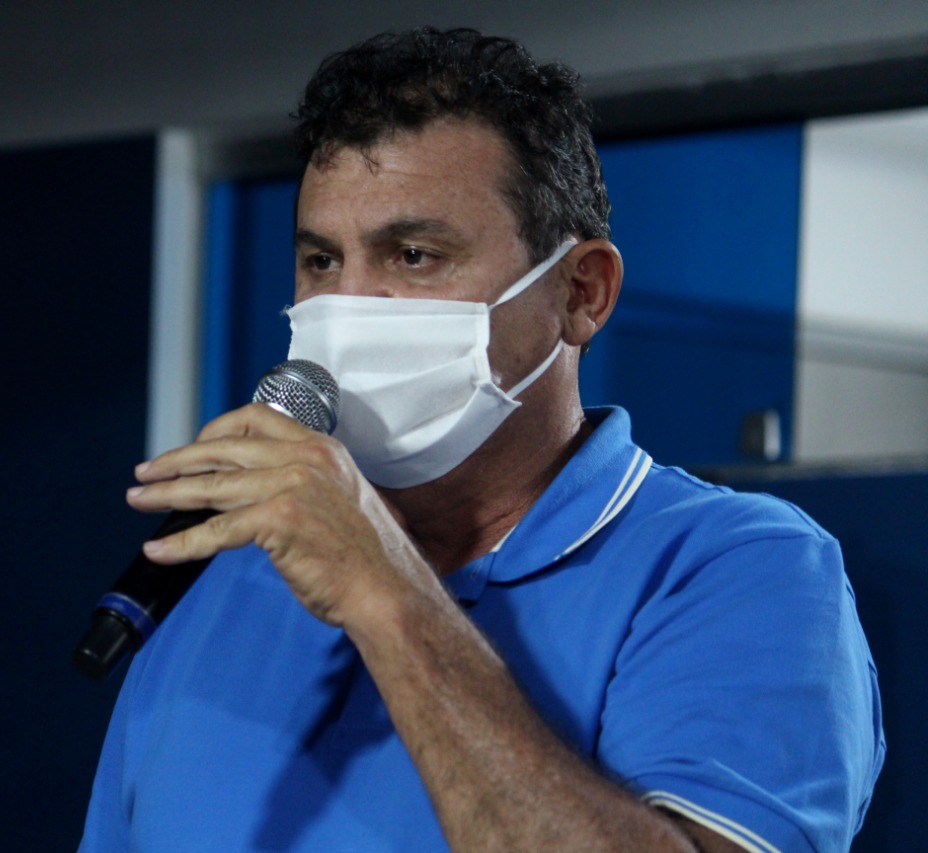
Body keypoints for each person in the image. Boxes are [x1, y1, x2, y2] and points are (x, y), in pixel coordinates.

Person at [79, 27, 883, 852]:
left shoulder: (740, 570)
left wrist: (386, 594)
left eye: (413, 254)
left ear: (581, 292)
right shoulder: (220, 584)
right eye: (321, 262)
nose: (348, 307)